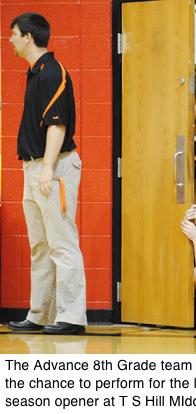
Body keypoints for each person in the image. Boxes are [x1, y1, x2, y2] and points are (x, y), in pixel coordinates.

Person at [7, 12, 86, 334]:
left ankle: (71, 317)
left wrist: (47, 170)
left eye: (13, 34)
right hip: (35, 166)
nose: (9, 40)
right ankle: (40, 313)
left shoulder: (52, 73)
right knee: (40, 245)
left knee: (62, 243)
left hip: (53, 167)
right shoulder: (36, 73)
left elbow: (57, 125)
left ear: (28, 36)